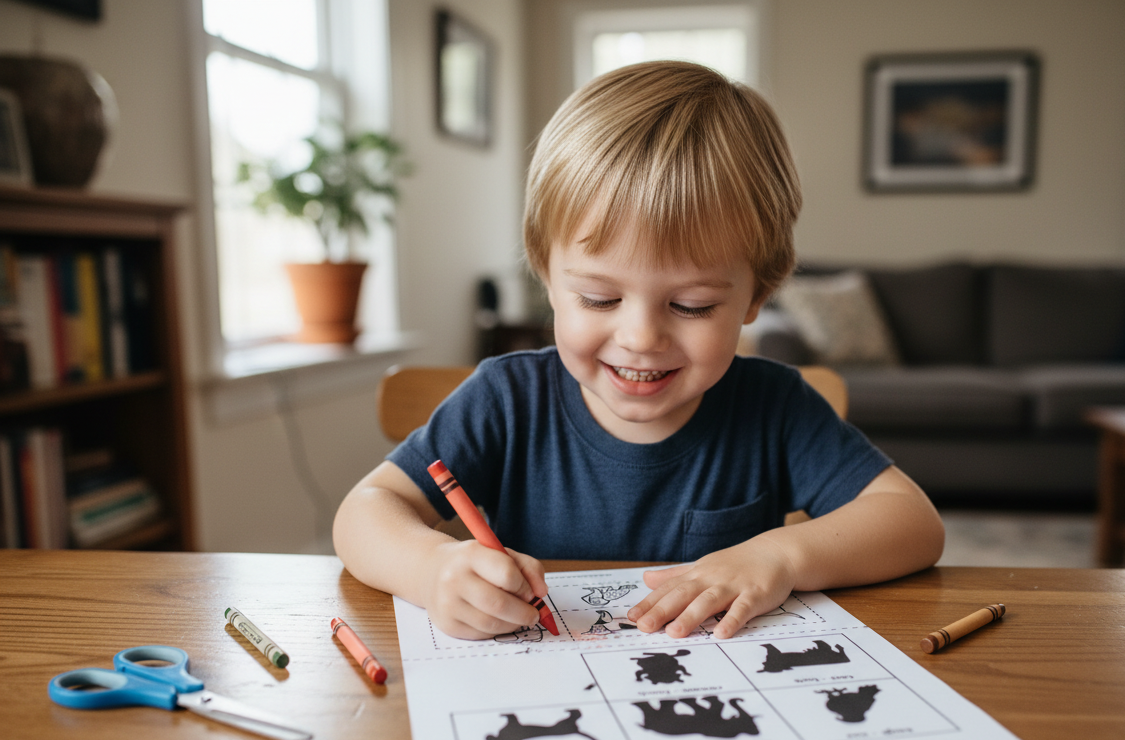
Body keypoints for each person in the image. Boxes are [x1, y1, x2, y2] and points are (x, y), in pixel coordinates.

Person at [333, 61, 944, 641]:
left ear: (757, 294)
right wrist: (431, 568)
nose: (641, 337)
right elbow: (365, 511)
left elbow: (912, 522)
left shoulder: (775, 407)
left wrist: (779, 555)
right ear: (547, 277)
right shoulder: (506, 400)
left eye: (692, 306)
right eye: (598, 299)